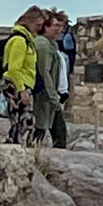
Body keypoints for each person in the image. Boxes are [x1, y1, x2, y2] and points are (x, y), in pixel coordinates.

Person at [1, 6, 45, 145]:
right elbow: (14, 68)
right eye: (38, 25)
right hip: (18, 85)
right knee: (25, 123)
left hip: (22, 84)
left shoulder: (26, 40)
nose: (39, 28)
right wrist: (21, 90)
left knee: (20, 124)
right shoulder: (20, 41)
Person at [33, 10, 65, 146]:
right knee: (42, 130)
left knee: (55, 132)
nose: (60, 29)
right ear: (45, 26)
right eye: (56, 26)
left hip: (50, 97)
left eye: (61, 26)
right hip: (43, 98)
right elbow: (44, 72)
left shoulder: (51, 45)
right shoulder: (43, 45)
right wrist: (53, 98)